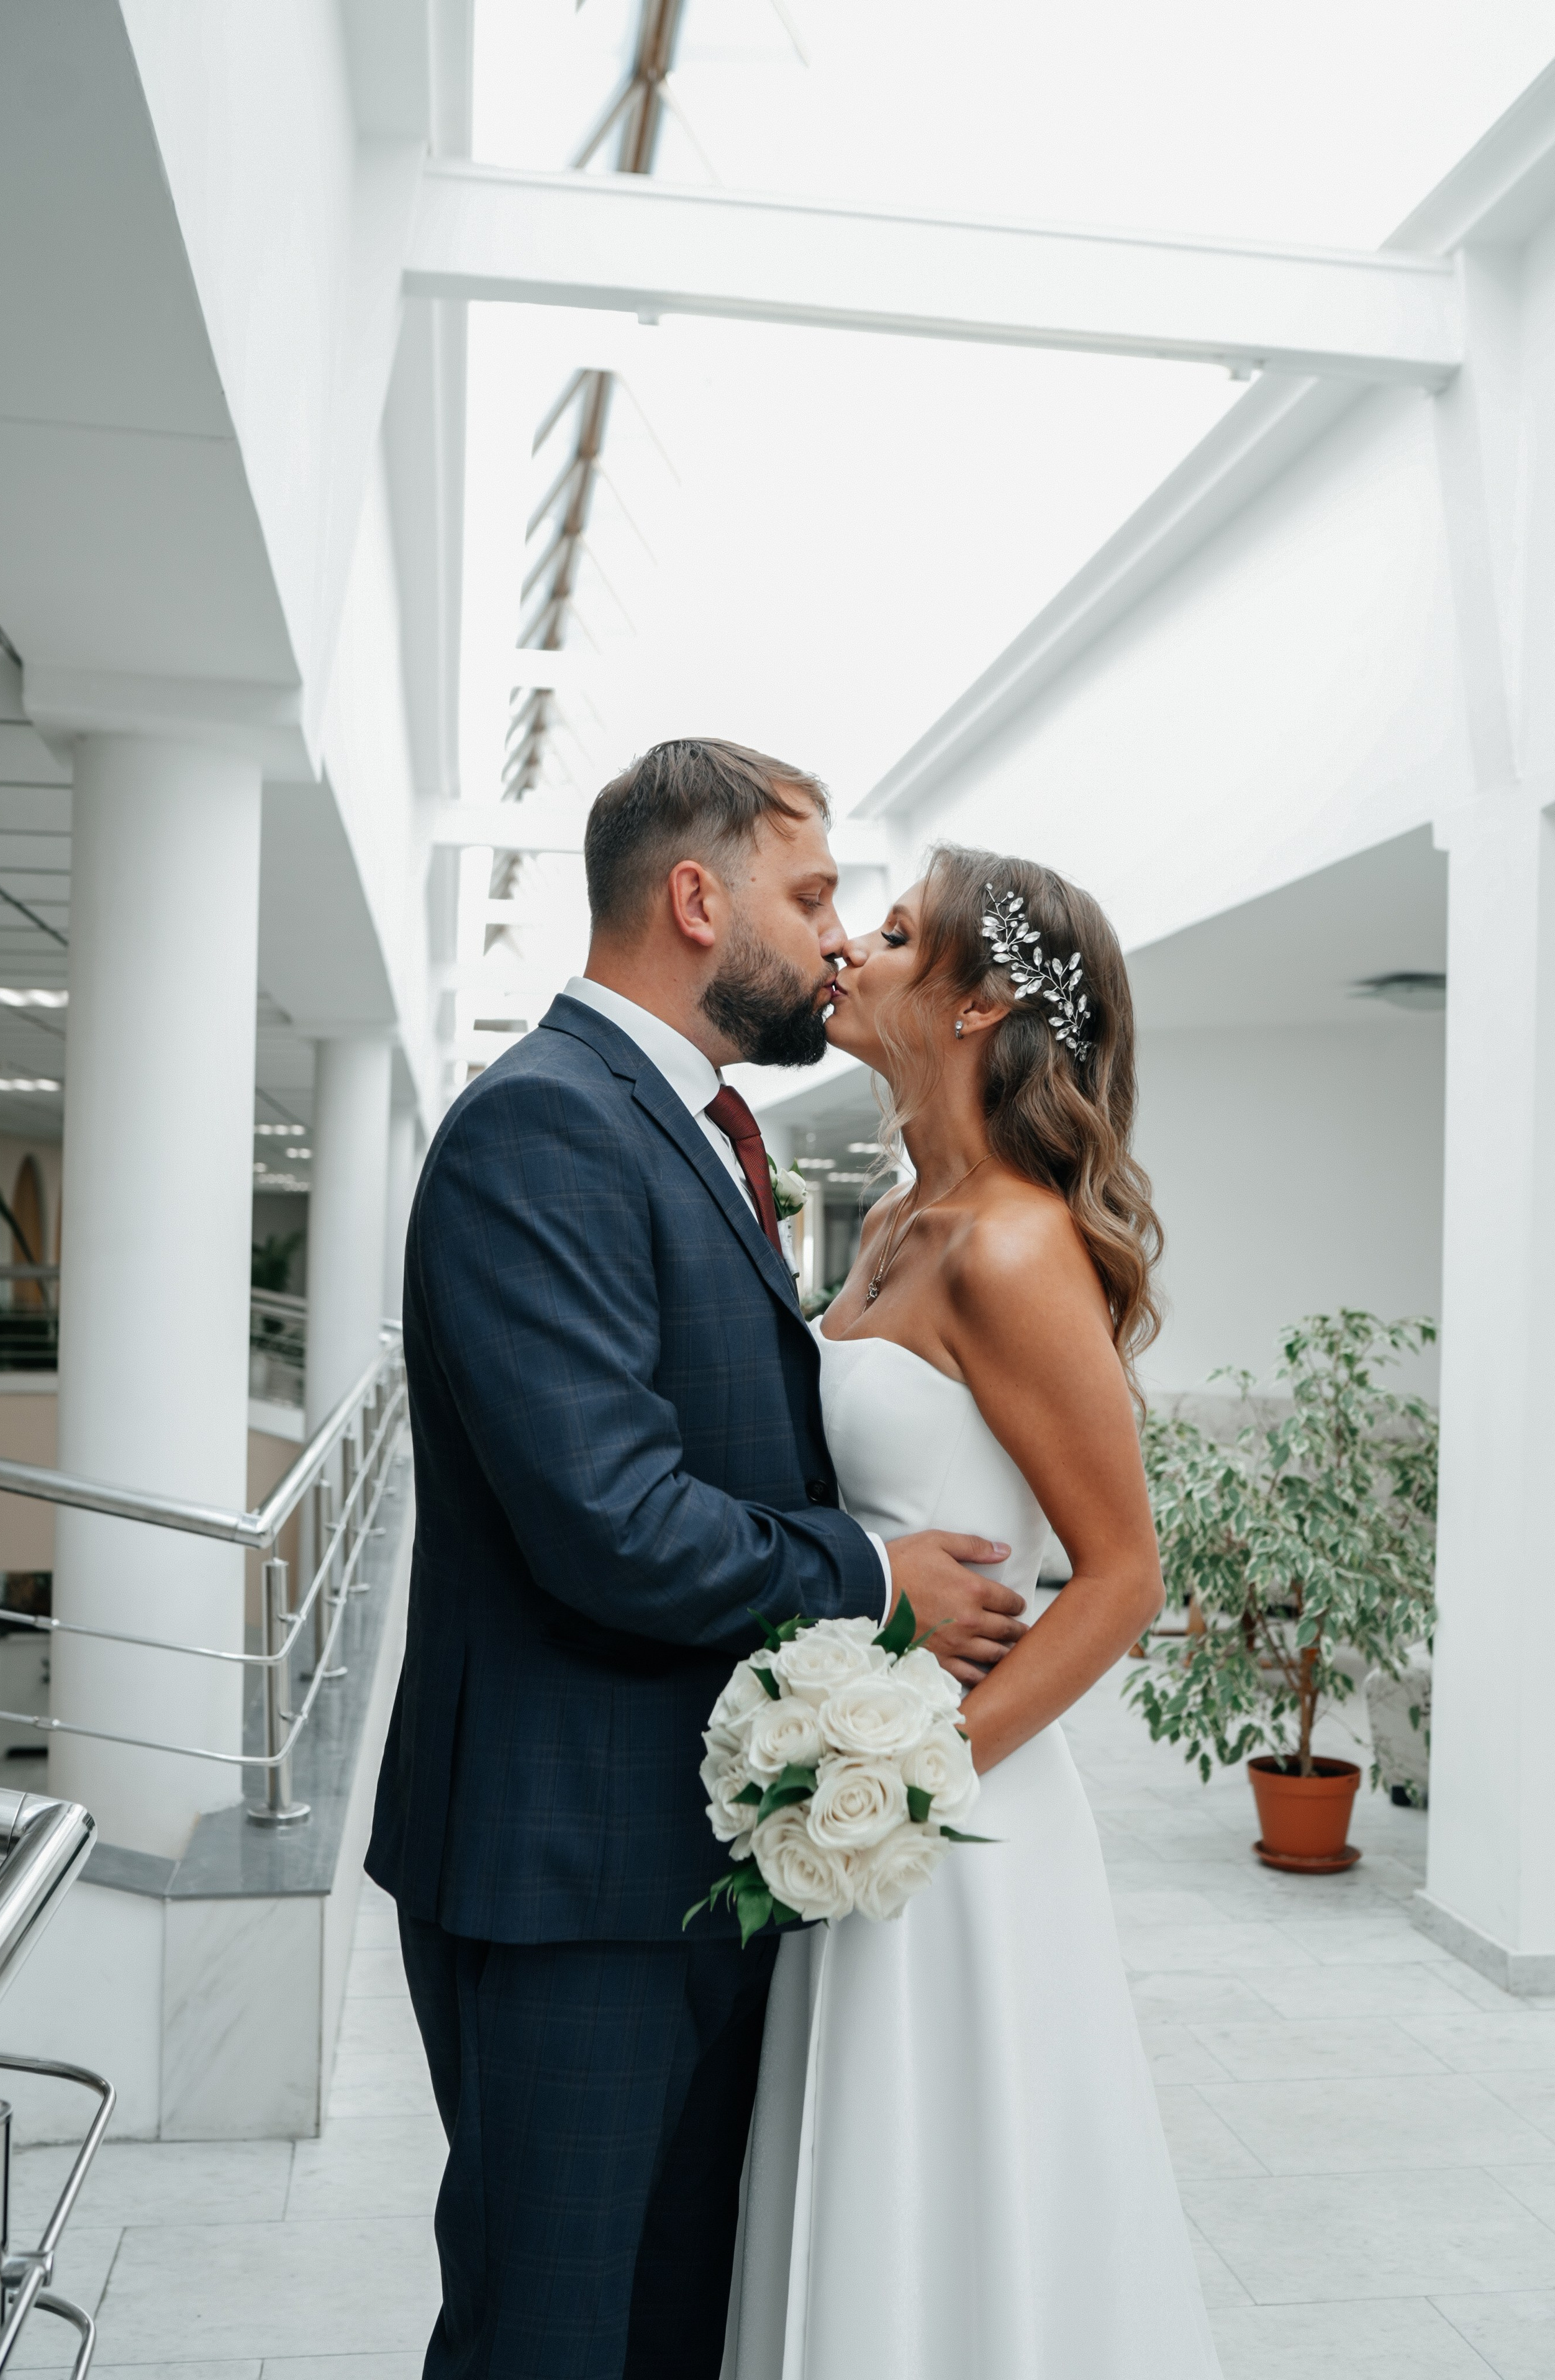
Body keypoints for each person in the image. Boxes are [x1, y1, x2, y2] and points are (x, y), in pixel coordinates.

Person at [365, 744, 1027, 2380]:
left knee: (664, 2326)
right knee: (550, 2336)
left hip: (677, 1856)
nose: (836, 937)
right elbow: (609, 1516)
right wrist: (872, 1577)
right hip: (567, 1878)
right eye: (809, 897)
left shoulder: (682, 1124)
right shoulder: (546, 1127)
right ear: (693, 899)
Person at [724, 844, 1224, 2380]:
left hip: (952, 1807)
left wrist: (903, 1787)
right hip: (851, 1766)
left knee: (948, 2192)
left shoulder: (1010, 1242)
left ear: (978, 1001)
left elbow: (1121, 1577)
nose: (848, 951)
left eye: (890, 933)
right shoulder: (892, 1223)